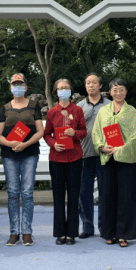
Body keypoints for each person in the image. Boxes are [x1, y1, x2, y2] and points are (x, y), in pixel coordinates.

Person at [92, 78, 136, 248]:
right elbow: (96, 132)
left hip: (125, 159)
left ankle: (124, 234)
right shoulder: (103, 111)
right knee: (107, 196)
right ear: (110, 92)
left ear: (126, 91)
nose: (118, 93)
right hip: (107, 158)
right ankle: (109, 232)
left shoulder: (131, 111)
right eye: (114, 89)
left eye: (121, 89)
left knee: (126, 196)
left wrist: (119, 149)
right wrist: (101, 146)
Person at [0, 73, 45, 247]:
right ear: (10, 87)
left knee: (27, 193)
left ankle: (27, 232)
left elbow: (40, 131)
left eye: (20, 84)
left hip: (29, 153)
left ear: (25, 86)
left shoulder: (34, 106)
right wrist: (11, 143)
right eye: (14, 84)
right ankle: (13, 232)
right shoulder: (4, 108)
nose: (17, 87)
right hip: (9, 155)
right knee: (13, 193)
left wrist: (25, 144)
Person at [44, 79, 87, 245]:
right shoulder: (51, 112)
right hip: (56, 159)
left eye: (66, 88)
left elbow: (84, 131)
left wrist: (74, 132)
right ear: (55, 91)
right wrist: (54, 143)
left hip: (75, 158)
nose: (63, 90)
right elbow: (47, 134)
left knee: (74, 196)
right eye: (60, 88)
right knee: (58, 196)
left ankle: (72, 233)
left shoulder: (77, 110)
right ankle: (60, 233)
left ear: (71, 90)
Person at [77, 73, 109, 239]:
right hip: (83, 154)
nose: (91, 85)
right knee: (84, 193)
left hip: (104, 155)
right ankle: (87, 227)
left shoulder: (110, 105)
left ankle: (104, 227)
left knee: (105, 193)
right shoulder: (80, 106)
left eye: (94, 82)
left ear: (100, 86)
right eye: (88, 82)